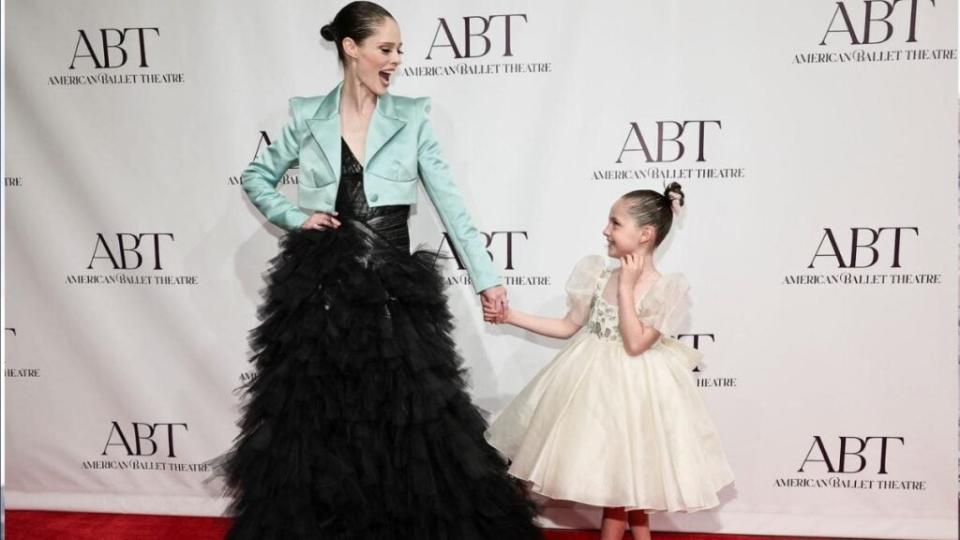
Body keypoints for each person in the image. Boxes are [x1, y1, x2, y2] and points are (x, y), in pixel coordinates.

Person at [218, 2, 541, 538]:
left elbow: (450, 203)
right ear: (351, 48)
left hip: (392, 282)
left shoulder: (412, 116)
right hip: (322, 283)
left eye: (399, 52)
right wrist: (296, 216)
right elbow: (256, 177)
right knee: (319, 411)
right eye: (385, 50)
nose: (395, 62)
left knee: (411, 414)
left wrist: (486, 277)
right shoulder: (307, 114)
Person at [484, 183, 734, 540]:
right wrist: (511, 316)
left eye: (615, 223)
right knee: (619, 483)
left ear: (645, 234)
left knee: (631, 481)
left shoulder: (666, 289)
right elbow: (569, 325)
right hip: (592, 388)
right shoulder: (598, 274)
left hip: (637, 393)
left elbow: (634, 343)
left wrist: (628, 288)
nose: (605, 230)